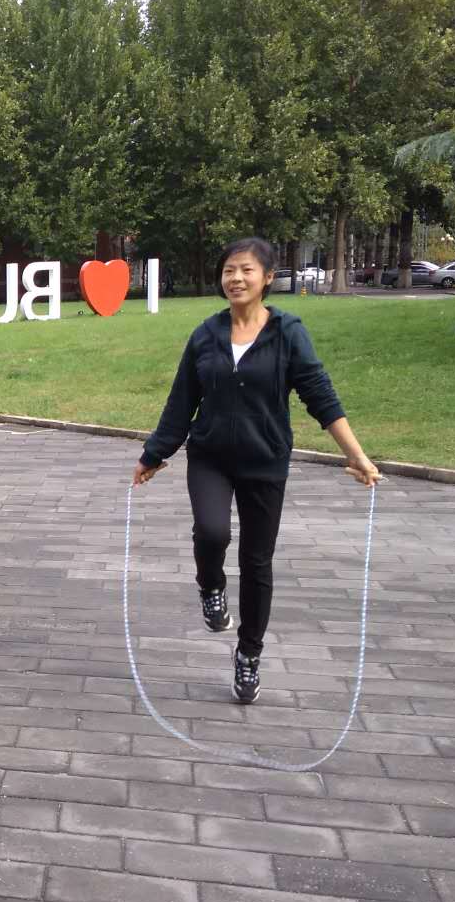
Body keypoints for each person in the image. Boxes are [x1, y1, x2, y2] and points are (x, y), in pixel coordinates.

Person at [133, 236, 380, 705]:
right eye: (229, 270)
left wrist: (356, 455)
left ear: (267, 278)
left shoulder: (288, 333)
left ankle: (249, 654)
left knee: (257, 561)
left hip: (265, 461)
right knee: (212, 533)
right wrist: (154, 454)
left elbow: (321, 396)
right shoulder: (205, 334)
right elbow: (181, 400)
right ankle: (210, 586)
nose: (236, 278)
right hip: (210, 457)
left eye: (246, 270)